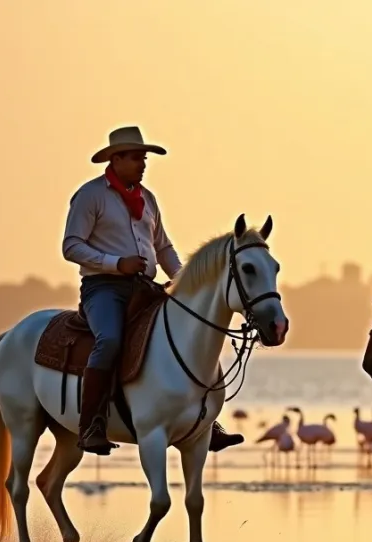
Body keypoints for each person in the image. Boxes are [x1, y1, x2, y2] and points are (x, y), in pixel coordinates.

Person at [62, 125, 244, 455]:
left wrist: (185, 282)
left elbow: (163, 247)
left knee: (189, 334)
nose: (143, 164)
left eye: (144, 158)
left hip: (144, 287)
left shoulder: (147, 199)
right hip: (103, 288)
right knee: (110, 340)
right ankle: (91, 425)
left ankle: (204, 418)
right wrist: (116, 263)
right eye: (136, 158)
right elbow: (71, 246)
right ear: (115, 159)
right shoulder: (90, 195)